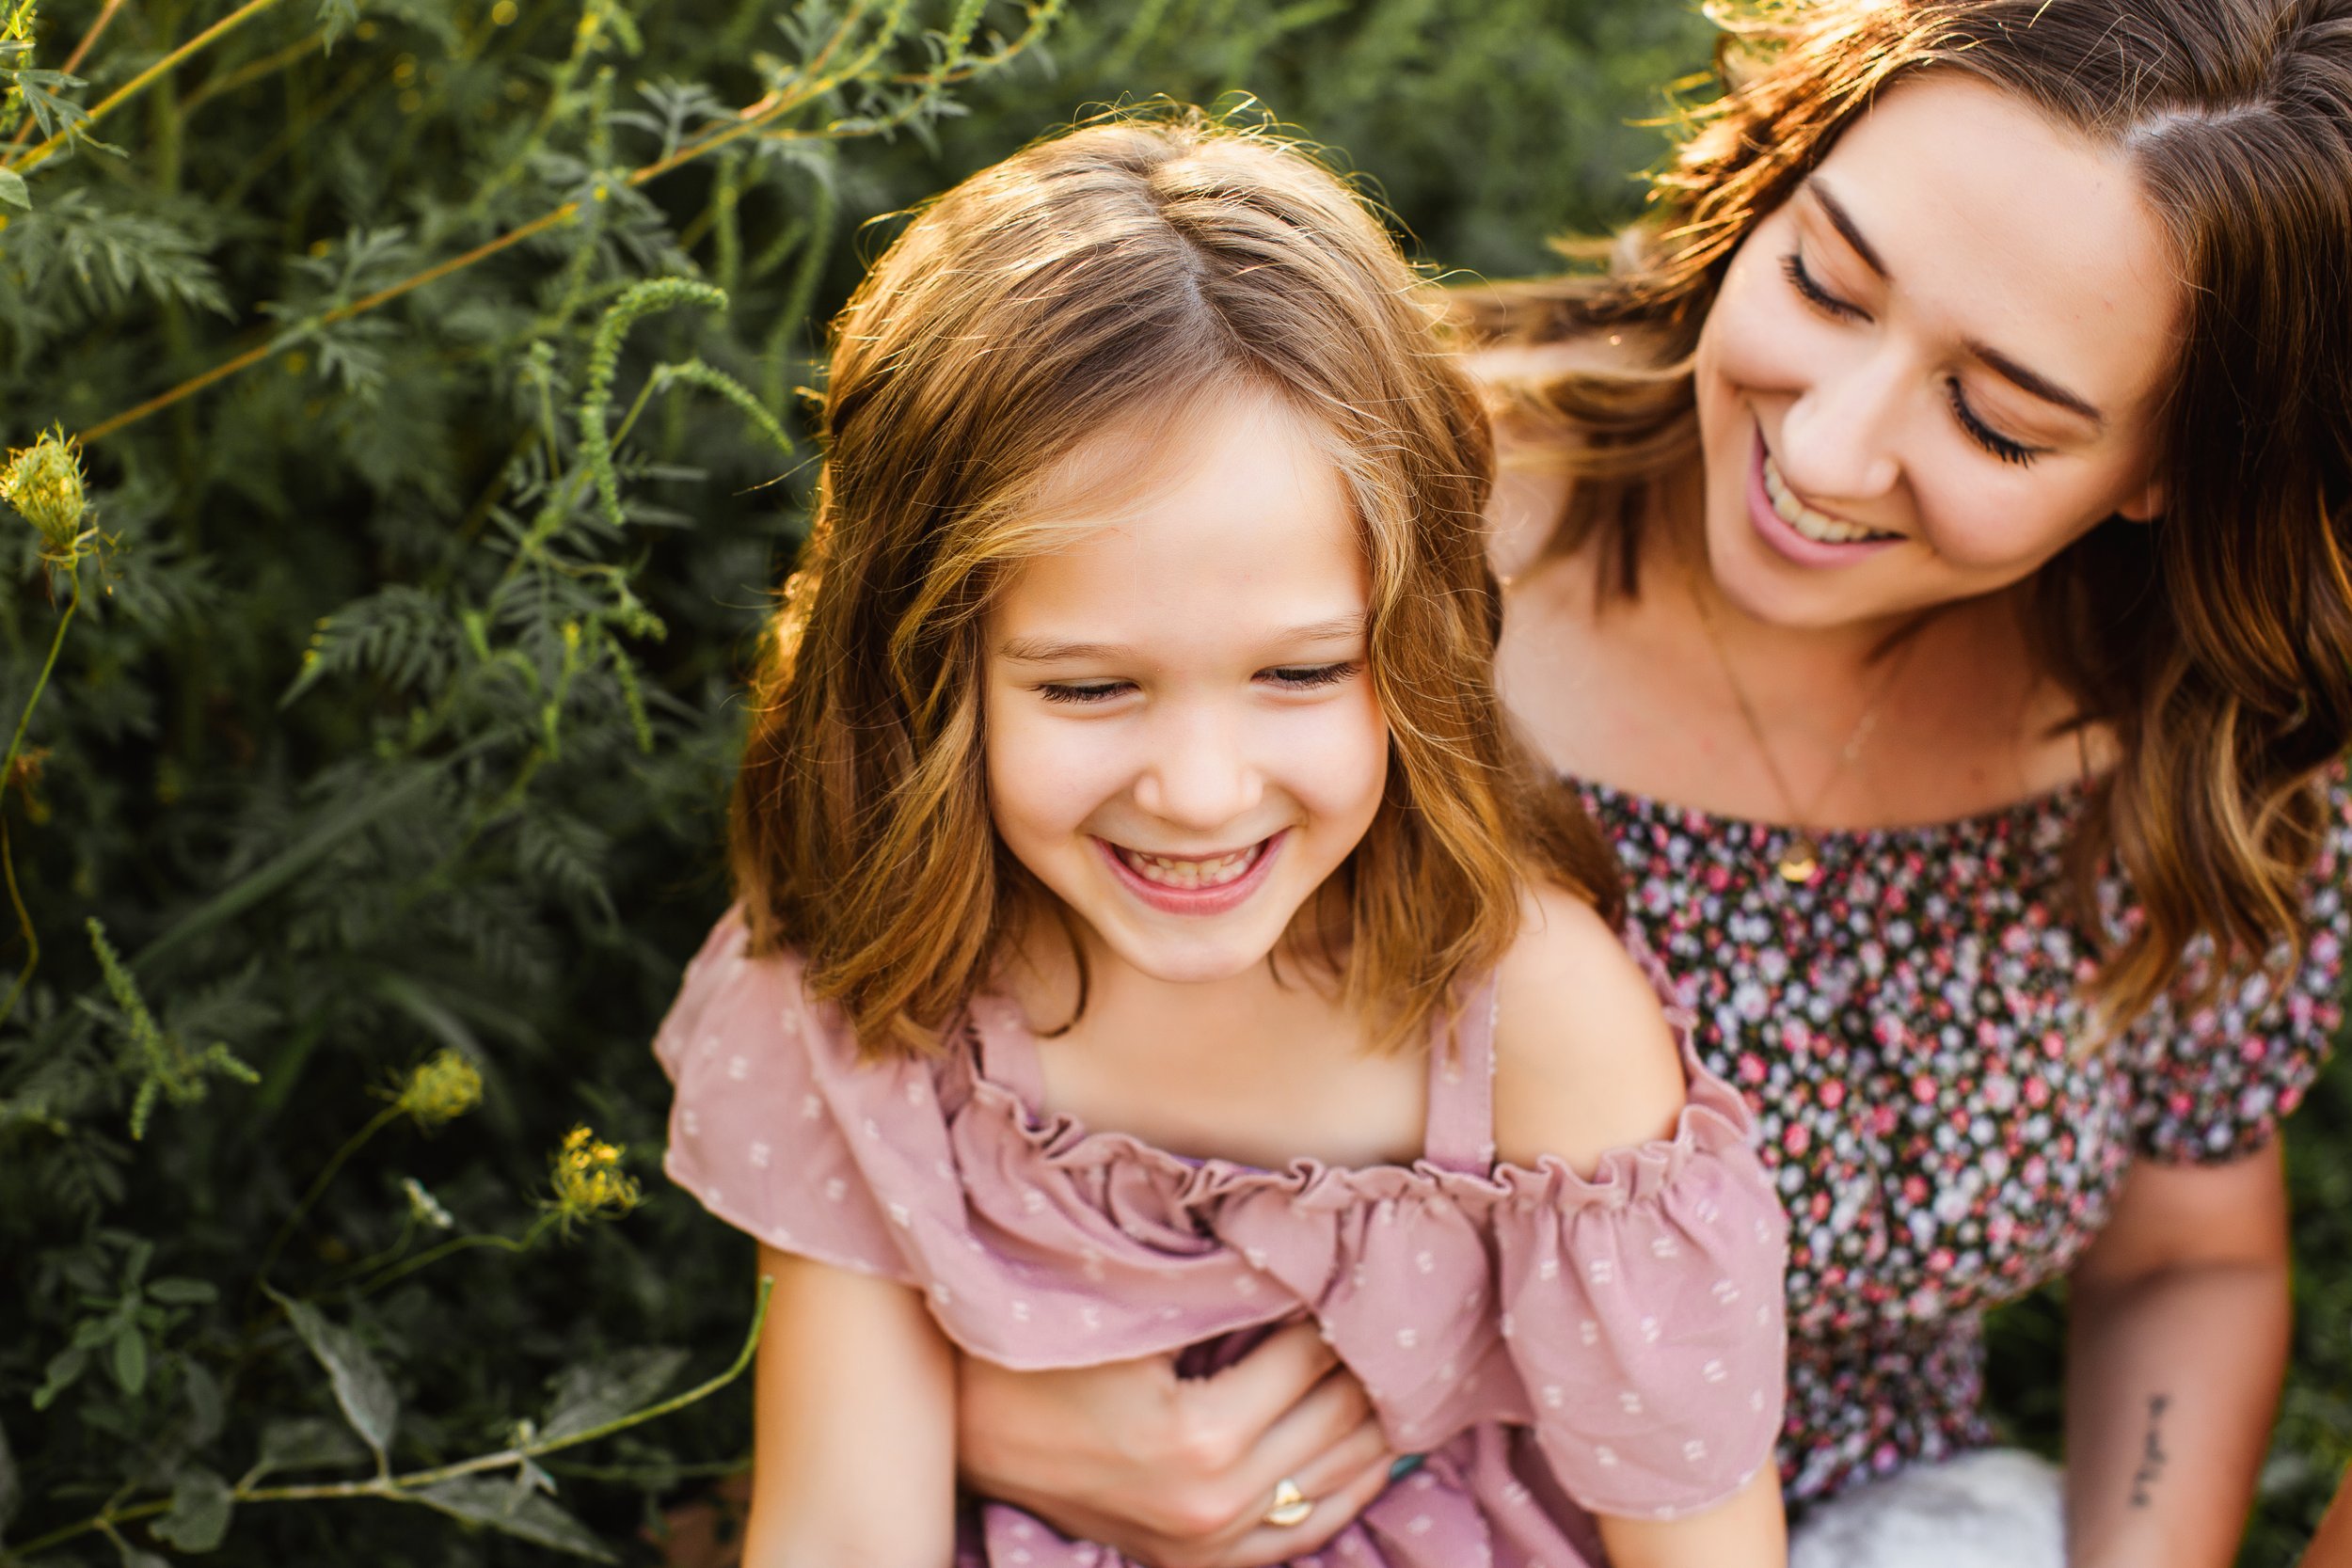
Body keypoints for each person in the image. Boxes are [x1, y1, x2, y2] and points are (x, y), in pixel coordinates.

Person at [946, 4, 2352, 1566]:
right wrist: (982, 1408)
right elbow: (886, 1034)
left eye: (1997, 420)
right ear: (1771, 184)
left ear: (2171, 467)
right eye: (1824, 284)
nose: (1826, 448)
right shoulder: (1352, 553)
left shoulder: (2201, 742)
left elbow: (2184, 1262)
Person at [653, 115, 1794, 1567]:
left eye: (1302, 673)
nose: (1200, 791)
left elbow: (1697, 1548)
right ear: (927, 671)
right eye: (1087, 687)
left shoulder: (1532, 1017)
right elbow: (839, 1530)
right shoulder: (876, 988)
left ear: (1417, 642)